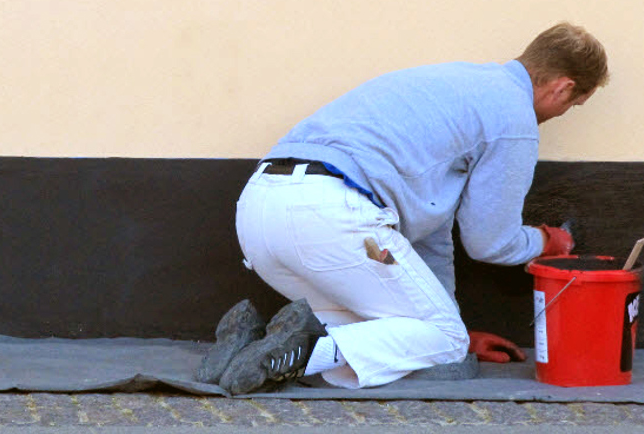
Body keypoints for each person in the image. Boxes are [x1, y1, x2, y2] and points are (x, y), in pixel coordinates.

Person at [198, 22, 609, 394]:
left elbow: (432, 236)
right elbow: (490, 241)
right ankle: (308, 349)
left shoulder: (456, 85)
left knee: (386, 340)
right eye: (572, 105)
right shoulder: (512, 118)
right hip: (331, 215)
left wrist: (452, 321)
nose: (561, 113)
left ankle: (249, 348)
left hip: (258, 209)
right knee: (445, 345)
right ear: (563, 88)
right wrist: (544, 241)